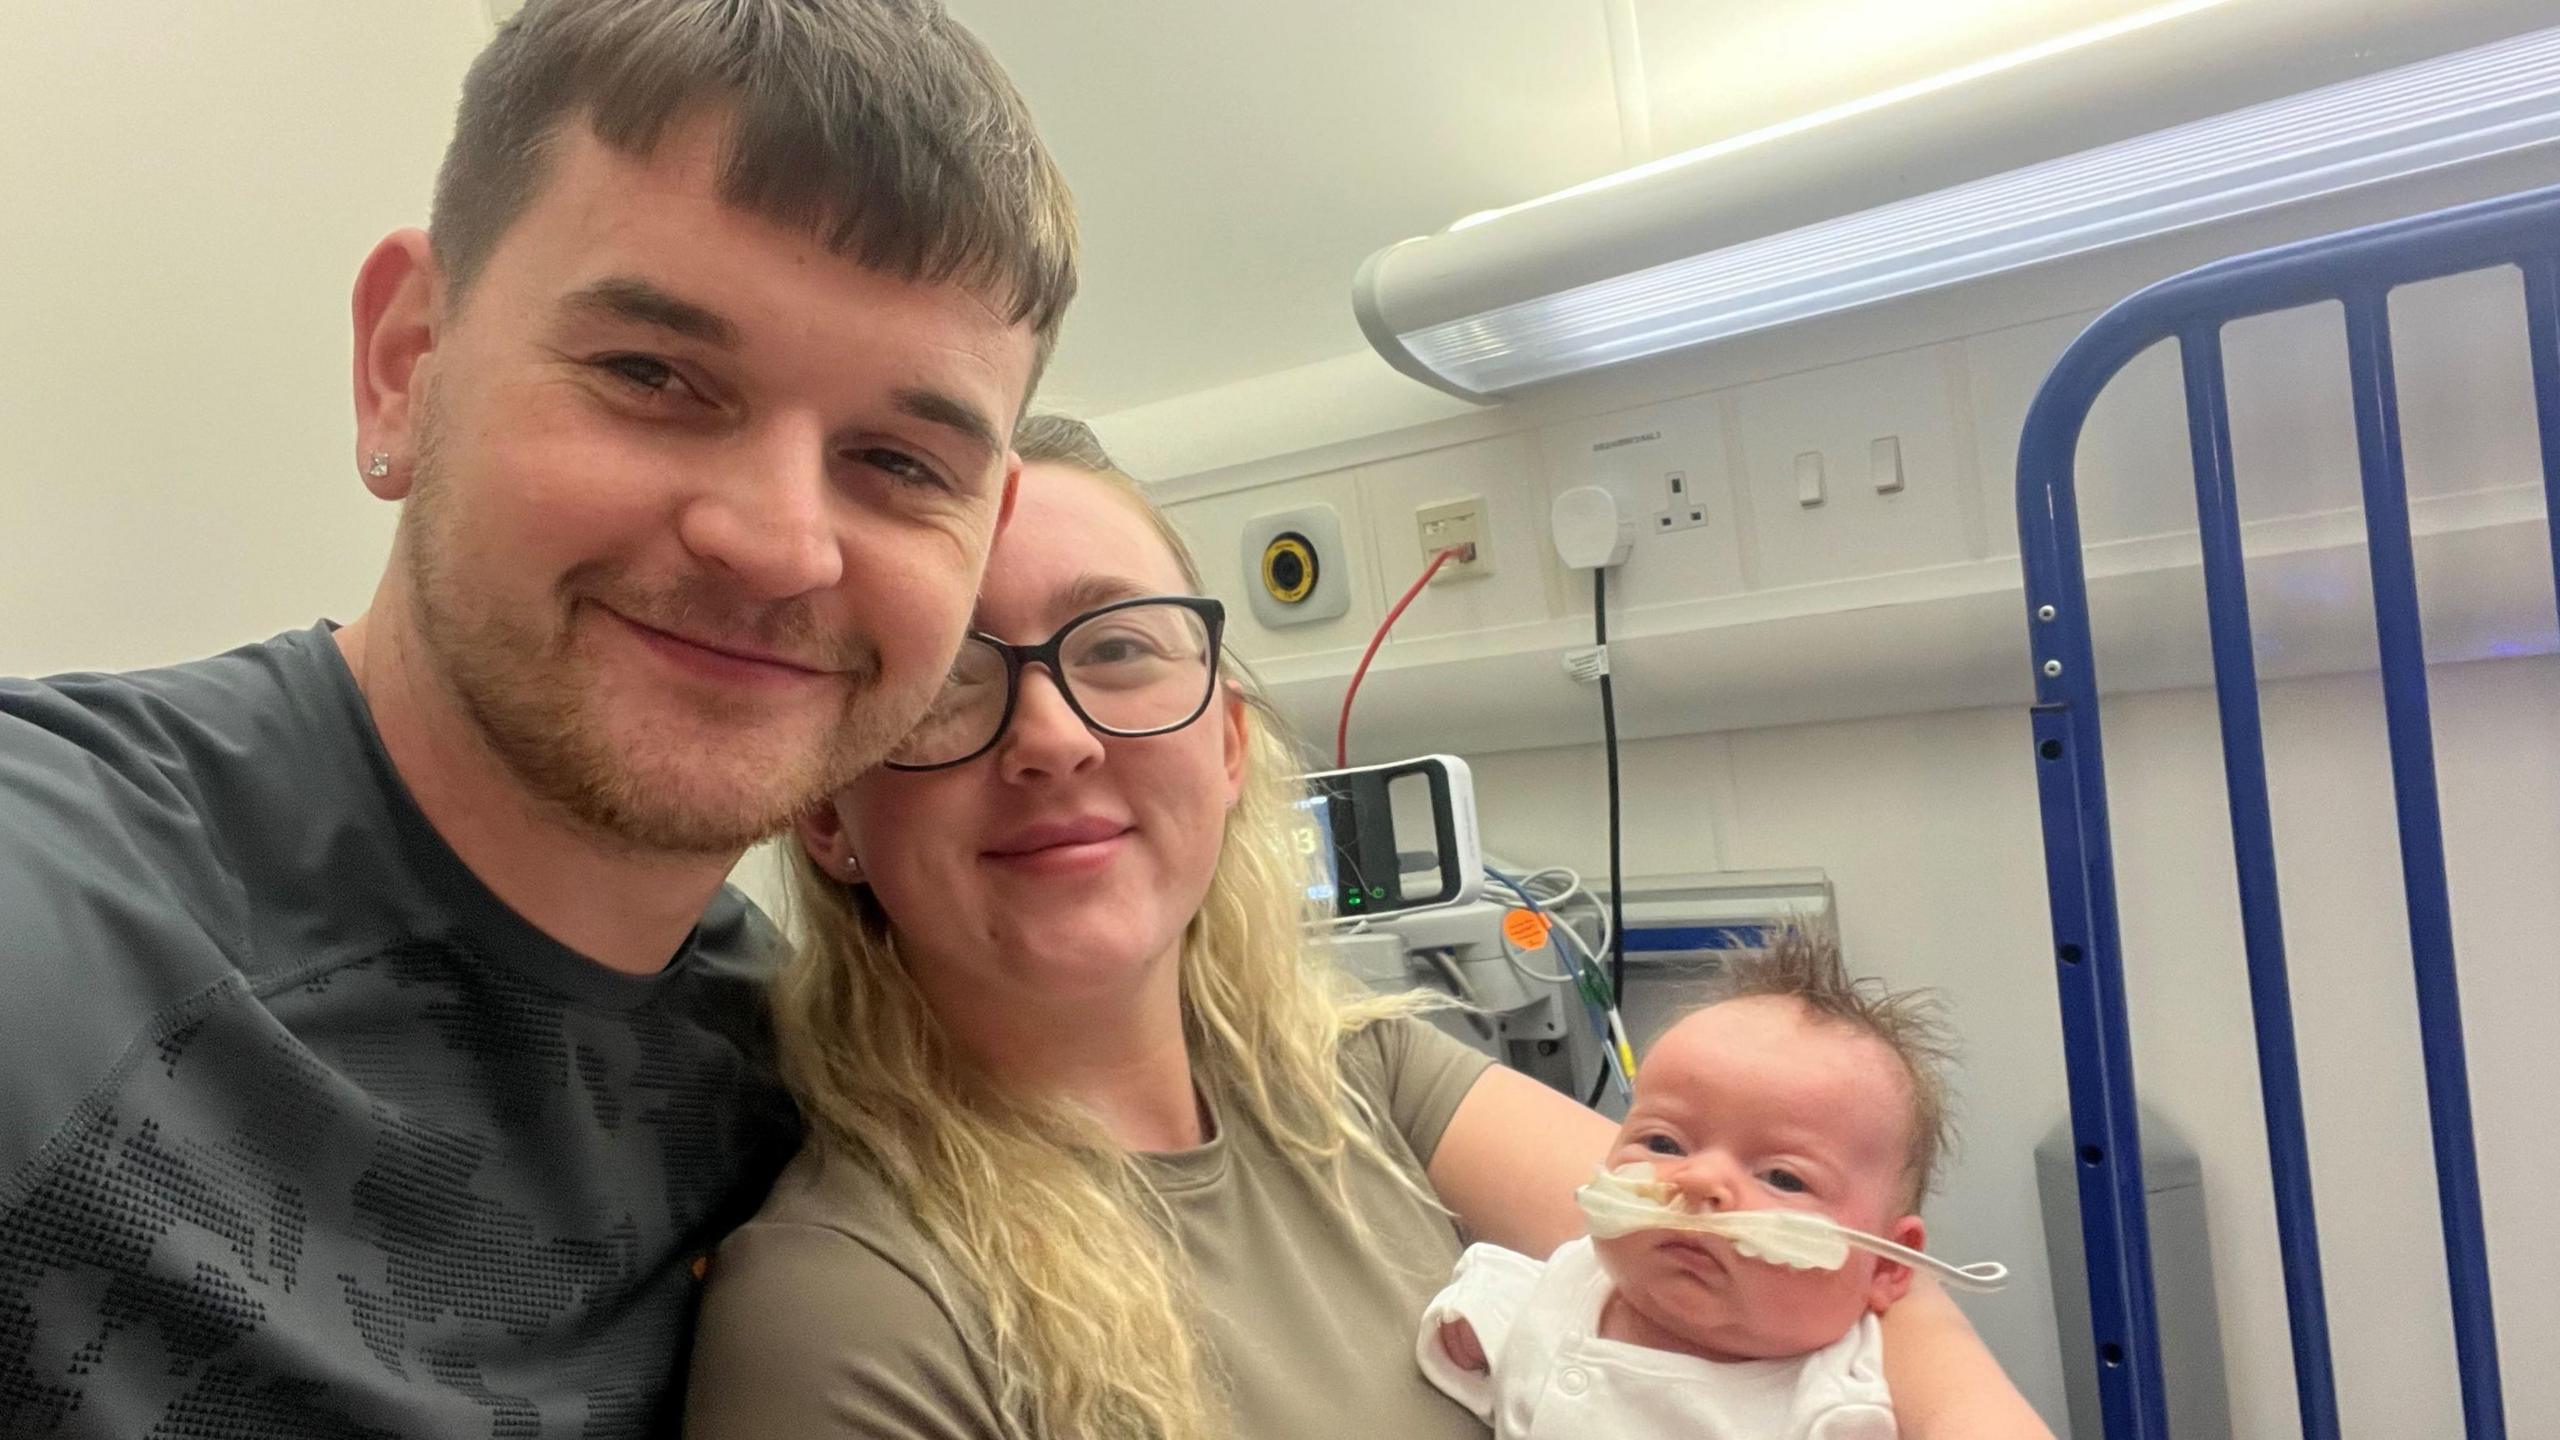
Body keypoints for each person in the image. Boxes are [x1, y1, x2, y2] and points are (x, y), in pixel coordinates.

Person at [0, 1, 1074, 1434]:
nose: (776, 542)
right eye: (652, 375)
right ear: (406, 359)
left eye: (898, 460)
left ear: (983, 528)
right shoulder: (55, 930)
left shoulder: (827, 1099)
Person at [684, 418, 2056, 1440]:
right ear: (826, 815)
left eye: (1116, 650)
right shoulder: (849, 1316)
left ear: (1225, 744)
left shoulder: (1363, 1082)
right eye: (944, 680)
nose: (1050, 738)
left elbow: (1827, 1268)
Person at [1418, 927, 1962, 1437]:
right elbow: (1496, 1303)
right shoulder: (1574, 1280)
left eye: (1781, 1177)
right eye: (1663, 1145)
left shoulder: (1831, 1410)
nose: (1699, 1180)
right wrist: (1468, 1333)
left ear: (1887, 1264)